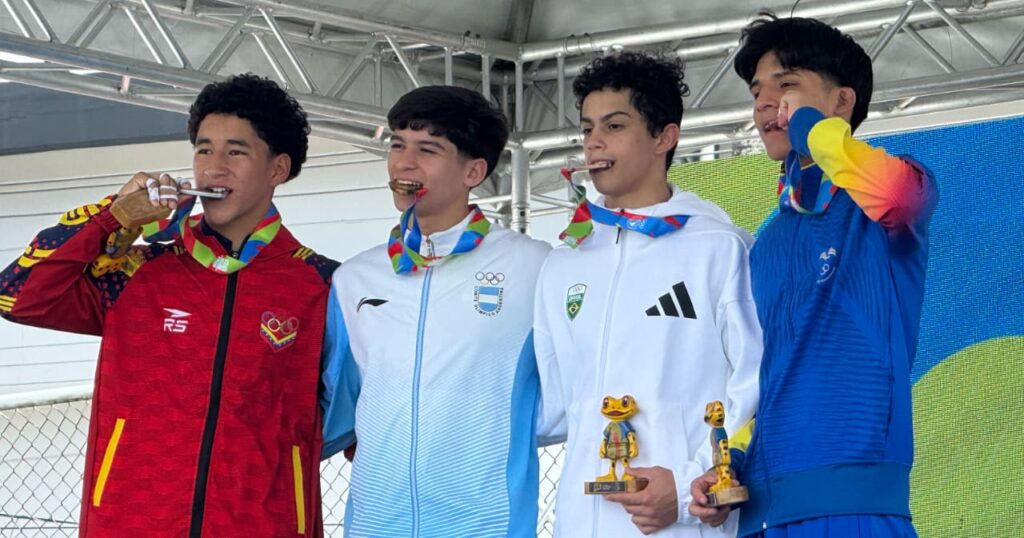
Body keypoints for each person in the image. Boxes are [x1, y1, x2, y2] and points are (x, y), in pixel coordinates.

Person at [0, 74, 338, 537]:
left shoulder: (322, 285)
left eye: (235, 152)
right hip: (131, 522)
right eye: (204, 150)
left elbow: (354, 413)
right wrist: (113, 216)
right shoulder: (137, 270)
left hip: (263, 524)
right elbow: (17, 295)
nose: (213, 168)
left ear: (277, 169)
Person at [688, 14, 938, 538]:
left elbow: (895, 196)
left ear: (842, 101)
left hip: (854, 507)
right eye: (757, 92)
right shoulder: (767, 243)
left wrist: (806, 126)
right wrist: (732, 462)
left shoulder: (892, 195)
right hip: (762, 512)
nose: (764, 104)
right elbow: (772, 373)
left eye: (785, 86)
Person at [533, 51, 762, 537]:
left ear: (665, 137)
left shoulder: (720, 248)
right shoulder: (565, 261)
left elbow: (755, 385)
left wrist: (686, 488)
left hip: (683, 523)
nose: (594, 143)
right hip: (579, 522)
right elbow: (551, 405)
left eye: (614, 126)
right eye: (587, 129)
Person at [320, 85, 551, 537]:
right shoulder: (354, 279)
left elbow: (567, 394)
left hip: (486, 525)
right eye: (397, 145)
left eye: (427, 150)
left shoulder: (534, 266)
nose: (404, 163)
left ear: (474, 171)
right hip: (374, 524)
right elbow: (338, 407)